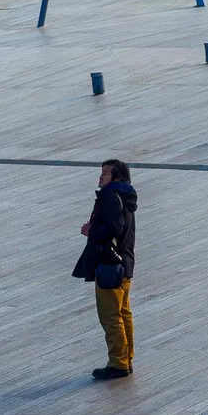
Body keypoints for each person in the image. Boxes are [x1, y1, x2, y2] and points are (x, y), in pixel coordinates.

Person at [73, 159, 137, 380]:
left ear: (116, 177)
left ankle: (118, 363)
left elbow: (112, 227)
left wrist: (91, 230)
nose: (101, 177)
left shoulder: (110, 197)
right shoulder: (125, 196)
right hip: (125, 263)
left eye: (105, 174)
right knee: (123, 313)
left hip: (110, 265)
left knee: (110, 316)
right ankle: (126, 358)